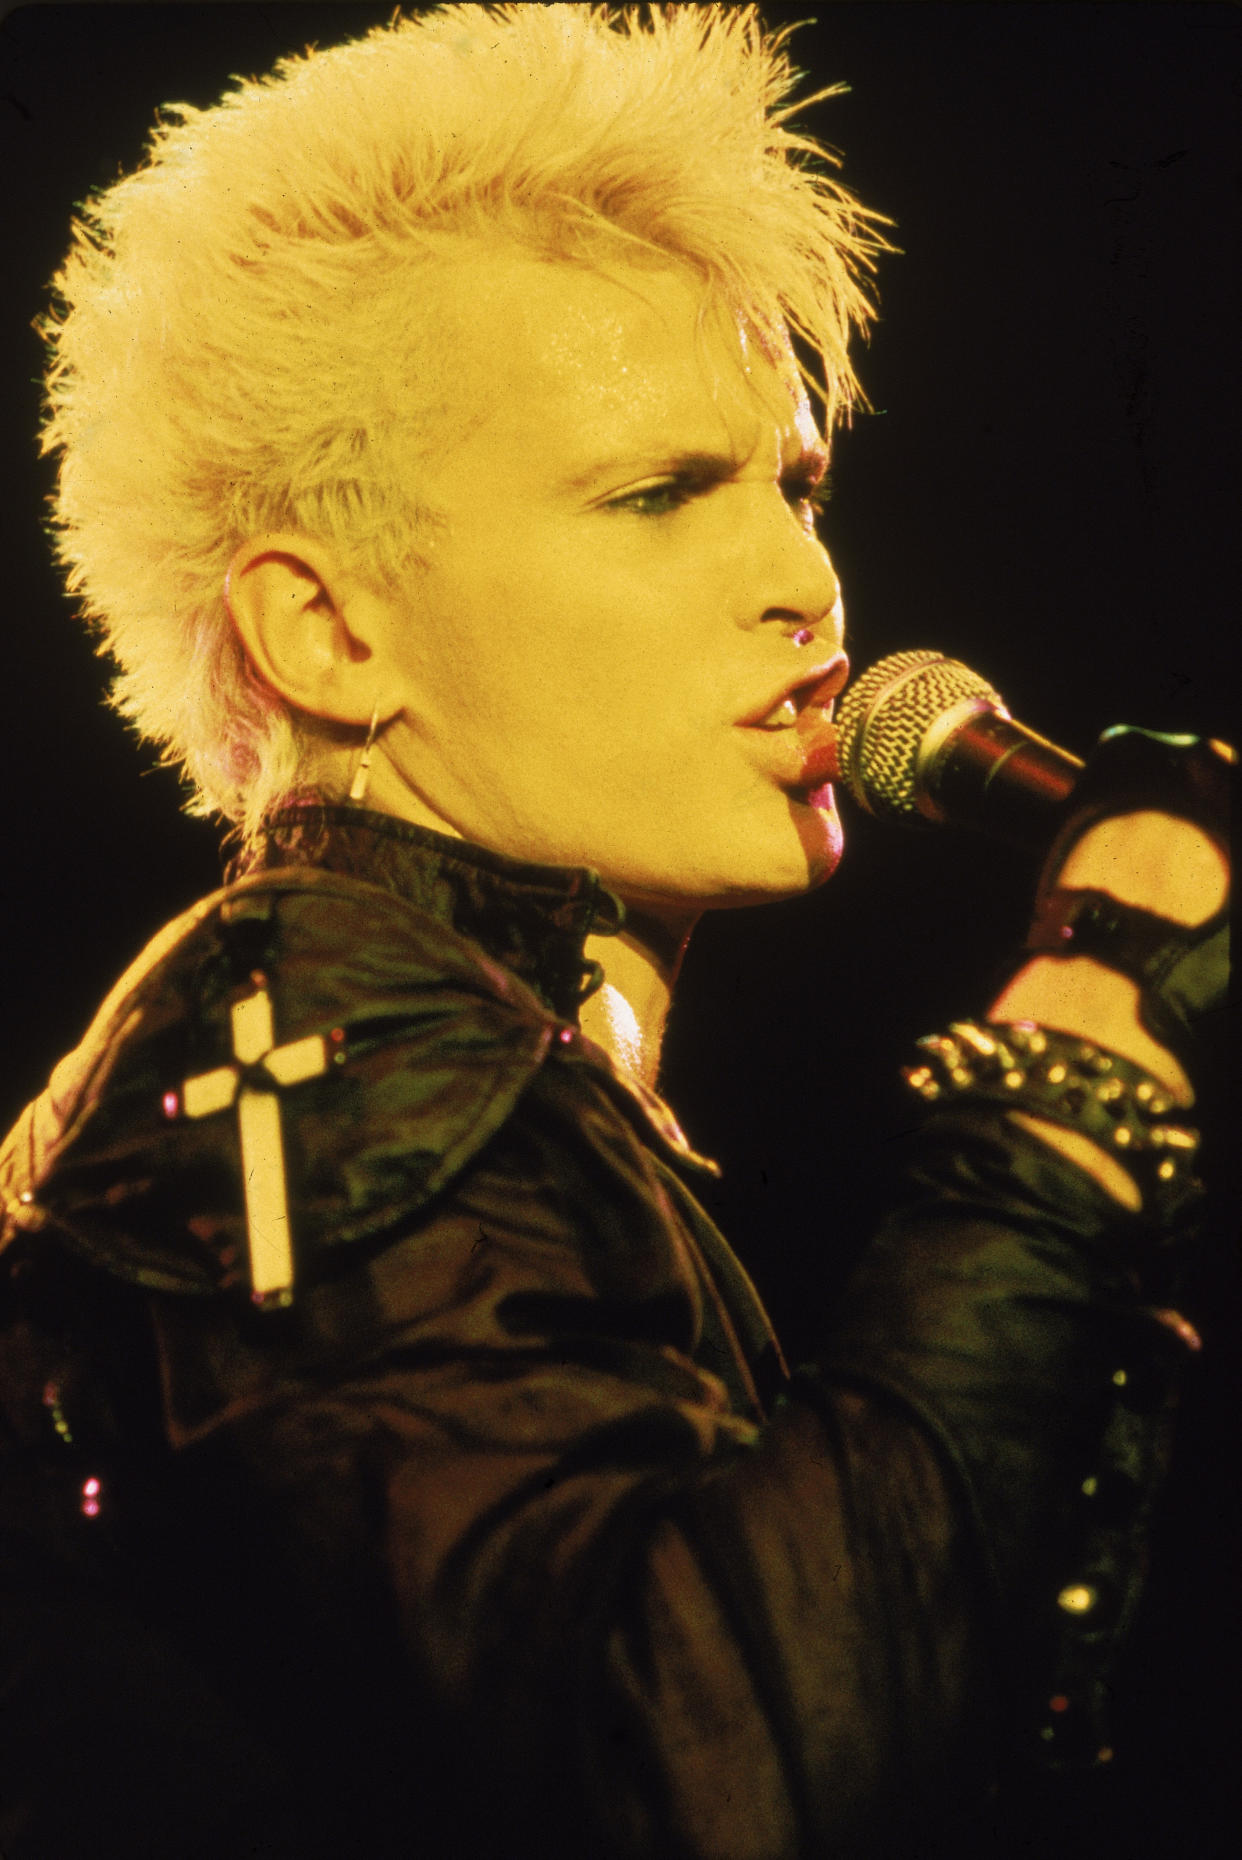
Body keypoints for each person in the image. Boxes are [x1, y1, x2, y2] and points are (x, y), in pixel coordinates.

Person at [0, 7, 1229, 1856]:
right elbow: (700, 1768)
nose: (803, 584)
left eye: (796, 487)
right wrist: (1084, 1035)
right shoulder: (294, 1028)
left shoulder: (473, 1058)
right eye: (658, 494)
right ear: (331, 635)